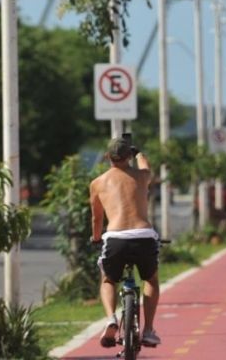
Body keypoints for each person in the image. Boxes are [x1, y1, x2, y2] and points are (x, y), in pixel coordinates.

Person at [89, 136, 162, 348]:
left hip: (116, 238)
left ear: (107, 157)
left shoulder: (97, 183)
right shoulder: (142, 176)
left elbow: (97, 218)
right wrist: (139, 153)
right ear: (128, 156)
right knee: (150, 280)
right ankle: (148, 330)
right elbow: (147, 167)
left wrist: (95, 238)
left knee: (108, 280)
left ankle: (111, 317)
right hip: (143, 236)